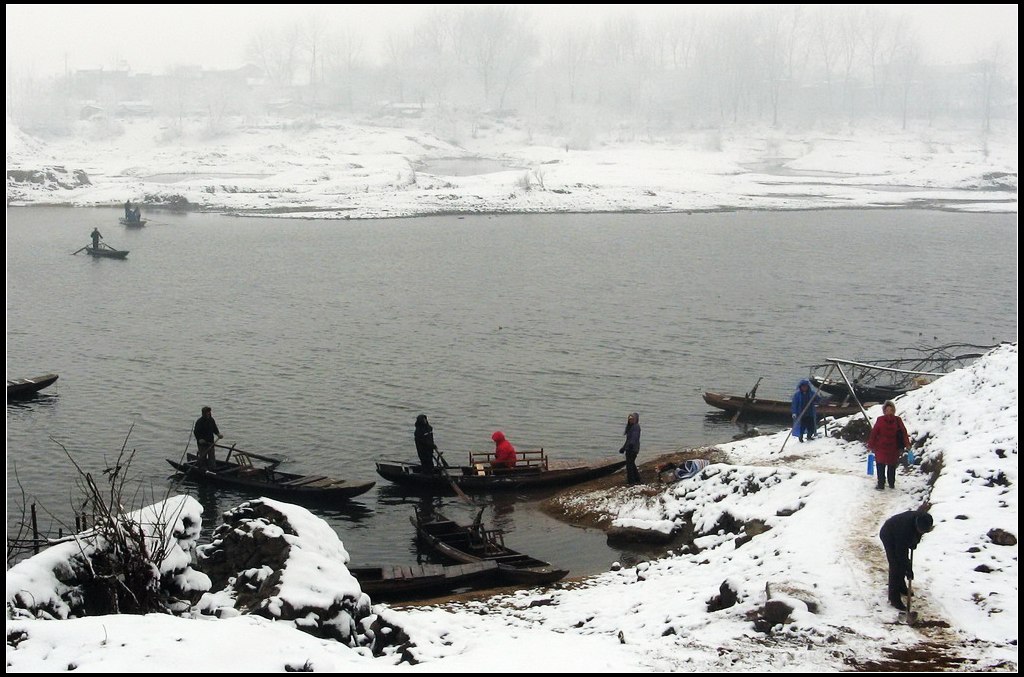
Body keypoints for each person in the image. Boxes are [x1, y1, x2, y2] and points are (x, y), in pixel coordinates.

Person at [879, 510, 934, 611]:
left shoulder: (923, 520)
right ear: (916, 525)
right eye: (920, 530)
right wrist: (908, 569)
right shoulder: (904, 528)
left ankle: (901, 587)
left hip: (900, 536)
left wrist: (914, 542)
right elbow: (901, 553)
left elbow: (918, 533)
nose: (921, 532)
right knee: (895, 565)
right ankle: (894, 598)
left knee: (902, 564)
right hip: (888, 534)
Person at [867, 400, 912, 490]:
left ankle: (885, 483)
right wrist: (870, 445)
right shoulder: (894, 420)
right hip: (885, 447)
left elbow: (903, 433)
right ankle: (886, 483)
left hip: (889, 447)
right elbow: (874, 433)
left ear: (893, 411)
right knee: (886, 465)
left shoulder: (891, 420)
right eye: (887, 410)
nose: (889, 412)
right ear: (884, 411)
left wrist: (870, 445)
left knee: (885, 466)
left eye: (890, 410)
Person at [618, 412, 642, 484]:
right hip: (629, 448)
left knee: (629, 465)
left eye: (632, 419)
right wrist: (623, 448)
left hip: (633, 449)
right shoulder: (630, 427)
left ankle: (631, 481)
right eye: (629, 419)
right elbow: (628, 440)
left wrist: (631, 445)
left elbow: (634, 437)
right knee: (631, 464)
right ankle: (637, 478)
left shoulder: (636, 427)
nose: (630, 420)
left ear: (636, 419)